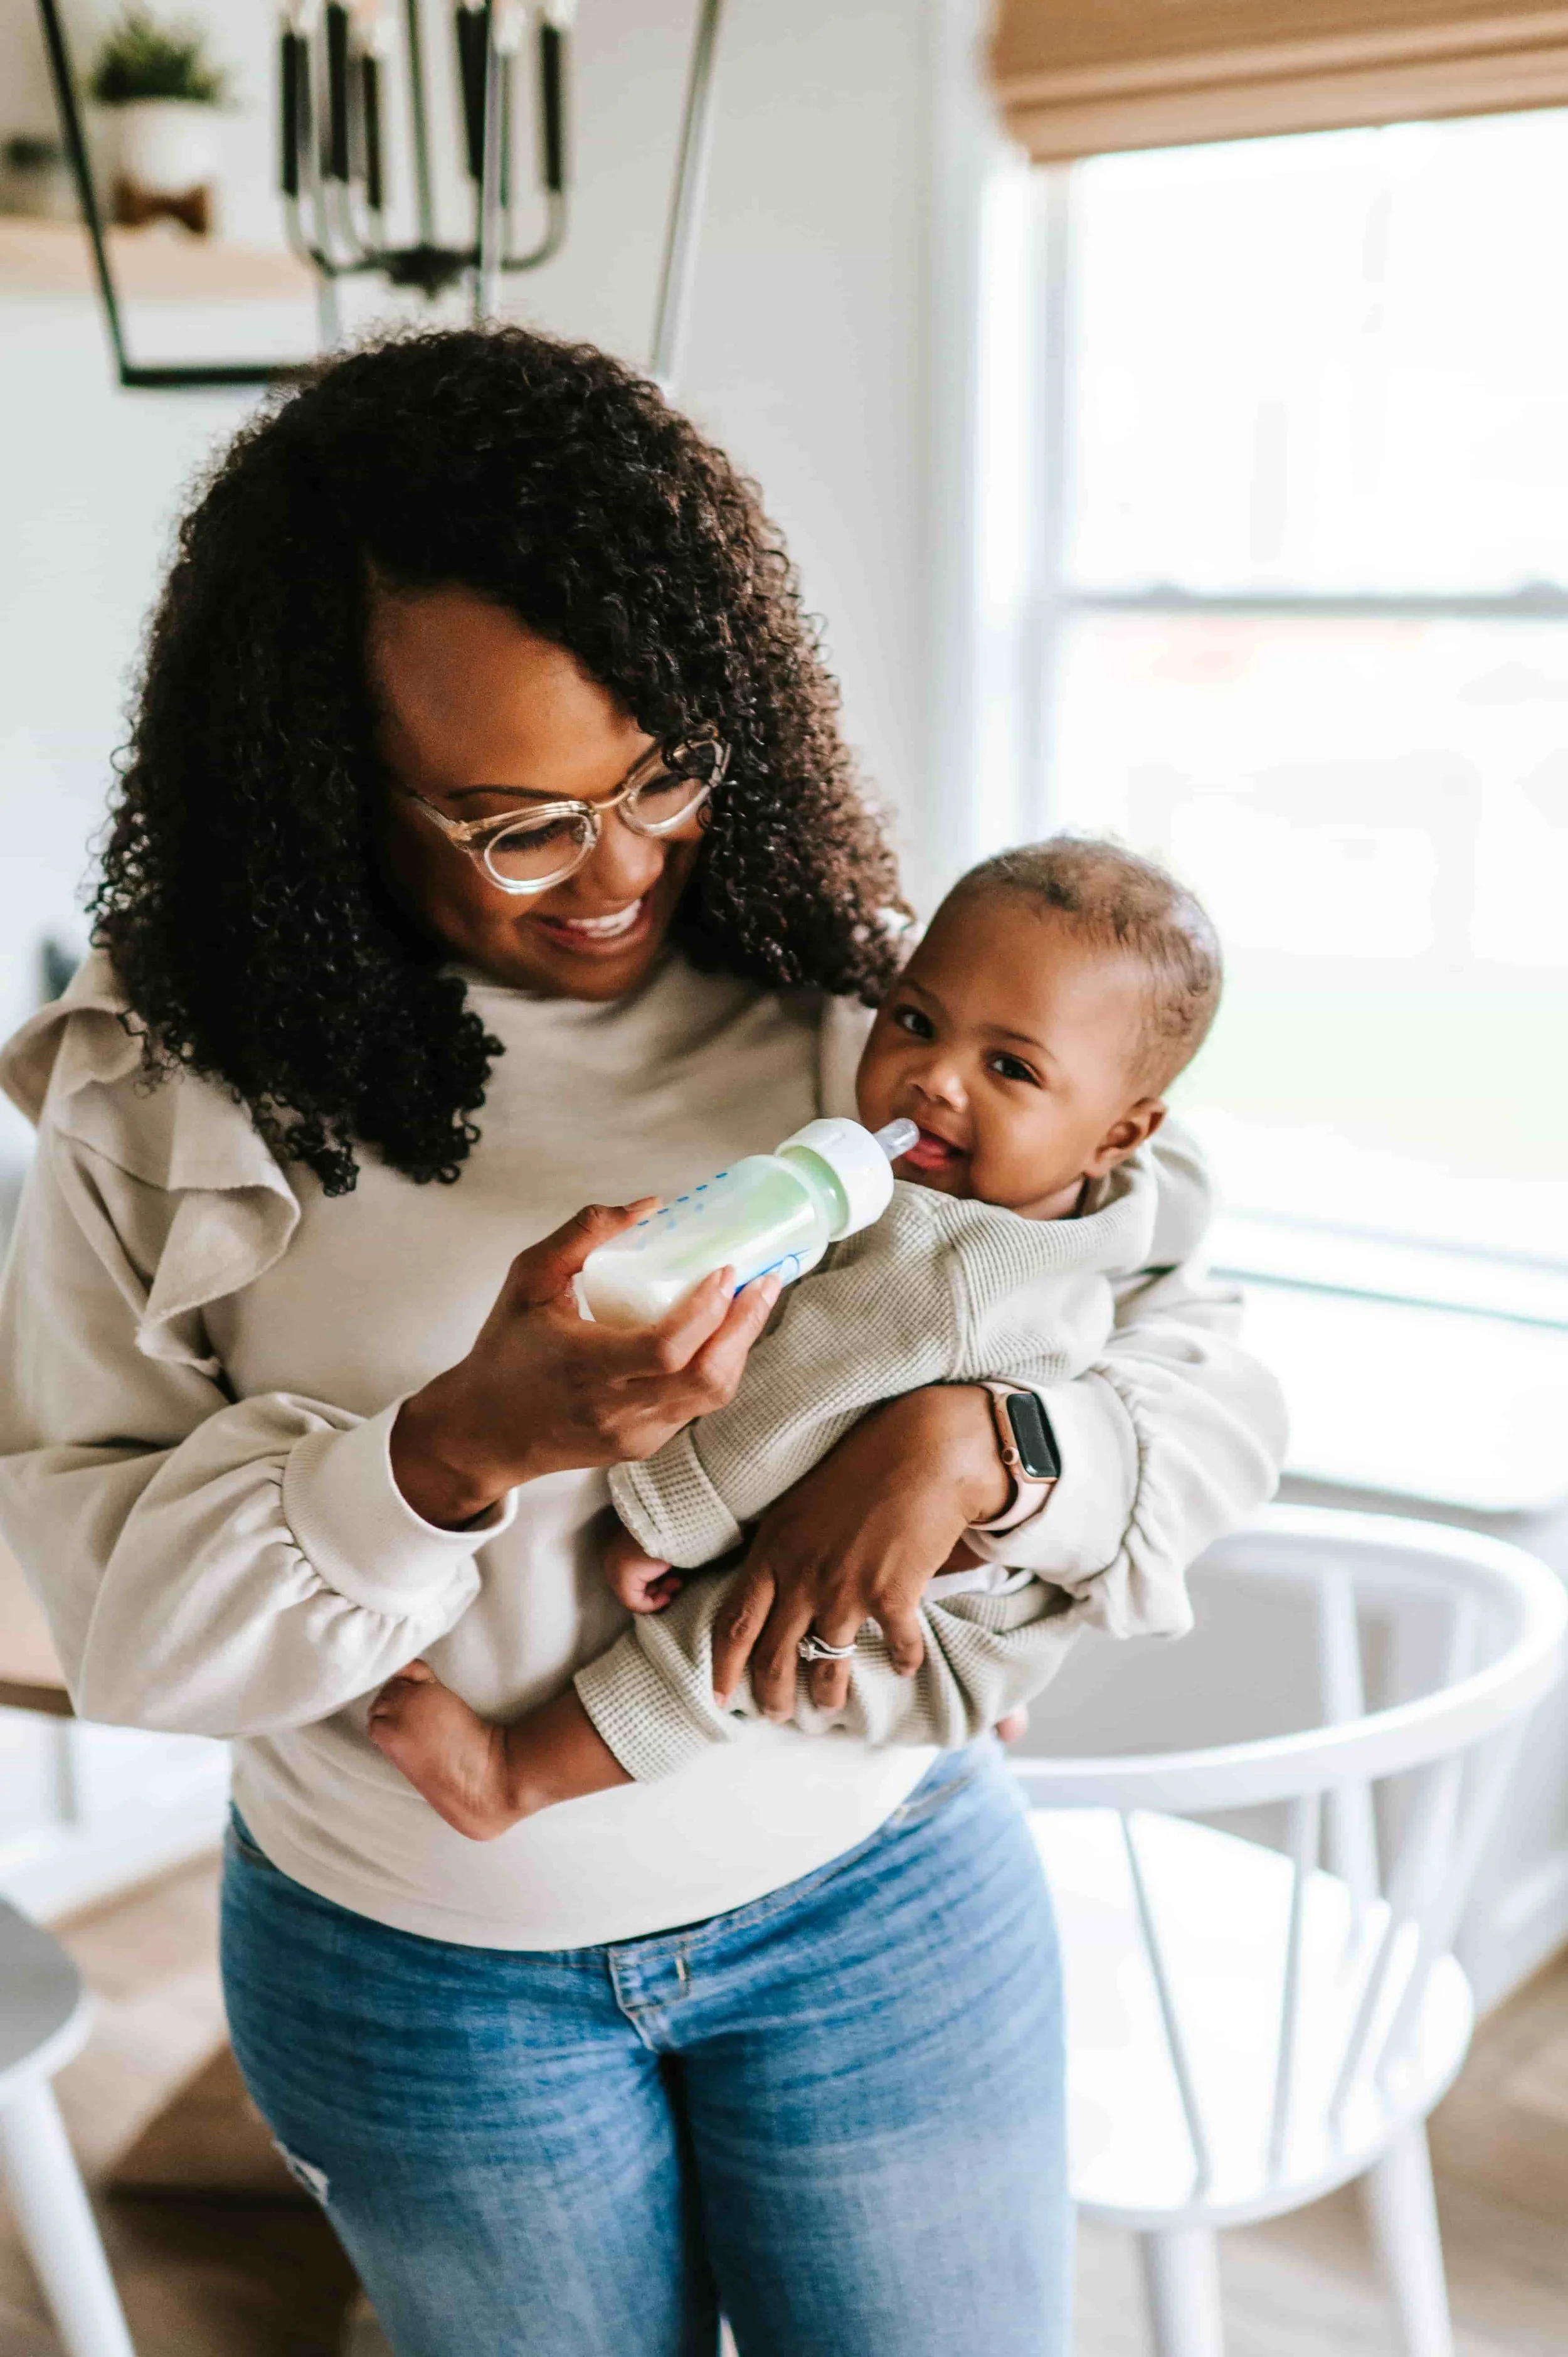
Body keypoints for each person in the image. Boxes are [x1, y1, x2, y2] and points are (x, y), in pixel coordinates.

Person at [0, 328, 1285, 2357]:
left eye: (663, 774)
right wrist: (444, 1453)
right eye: (517, 820)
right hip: (429, 1973)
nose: (620, 874)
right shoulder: (168, 1095)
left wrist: (983, 1443)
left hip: (879, 1904)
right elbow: (133, 1632)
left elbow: (1192, 1364)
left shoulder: (873, 997)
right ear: (320, 767)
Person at [367, 836, 1229, 1838]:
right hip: (985, 1612)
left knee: (720, 1637)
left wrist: (666, 1529)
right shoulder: (1081, 1214)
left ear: (1125, 1132)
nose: (935, 1082)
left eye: (1009, 1066)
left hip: (926, 1639)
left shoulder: (951, 1268)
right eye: (914, 1021)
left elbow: (794, 1402)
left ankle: (511, 1777)